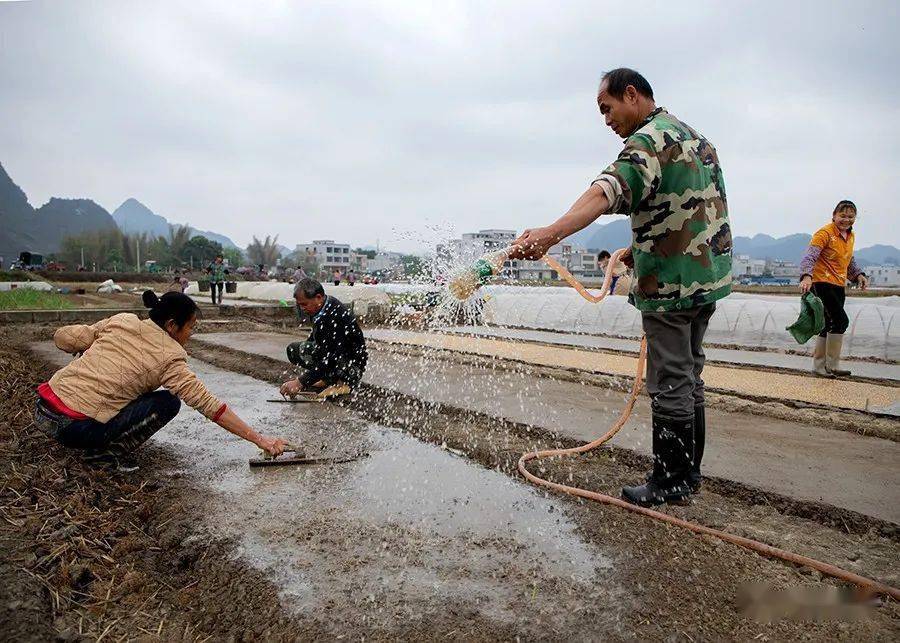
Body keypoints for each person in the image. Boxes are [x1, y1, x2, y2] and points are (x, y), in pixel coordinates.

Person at [507, 68, 732, 507]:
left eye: (607, 109)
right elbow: (692, 207)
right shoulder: (695, 139)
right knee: (689, 375)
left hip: (671, 288)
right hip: (707, 280)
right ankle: (689, 473)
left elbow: (603, 192)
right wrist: (637, 246)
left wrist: (549, 234)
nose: (606, 120)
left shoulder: (646, 143)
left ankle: (670, 481)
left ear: (631, 95)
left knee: (669, 382)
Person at [33, 291, 287, 470]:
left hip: (43, 411)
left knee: (131, 392)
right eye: (190, 327)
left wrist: (83, 345)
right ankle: (101, 456)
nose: (191, 334)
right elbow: (209, 405)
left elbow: (64, 338)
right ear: (172, 325)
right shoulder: (170, 357)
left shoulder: (123, 321)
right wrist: (259, 439)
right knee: (168, 402)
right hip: (72, 428)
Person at [798, 200, 868, 377]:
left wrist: (858, 275)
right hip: (821, 282)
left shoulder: (850, 236)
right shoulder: (824, 233)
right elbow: (810, 256)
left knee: (828, 324)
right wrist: (806, 275)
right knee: (840, 321)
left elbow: (848, 259)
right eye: (842, 216)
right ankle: (825, 366)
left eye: (851, 216)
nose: (846, 219)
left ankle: (826, 366)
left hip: (838, 284)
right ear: (834, 216)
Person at [280, 279, 367, 399]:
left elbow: (330, 359)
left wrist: (300, 382)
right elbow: (316, 338)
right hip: (333, 354)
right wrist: (309, 377)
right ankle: (328, 378)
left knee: (327, 359)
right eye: (299, 305)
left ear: (318, 297)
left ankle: (343, 383)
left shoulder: (334, 316)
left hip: (350, 364)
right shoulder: (320, 307)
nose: (302, 308)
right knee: (294, 350)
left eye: (304, 304)